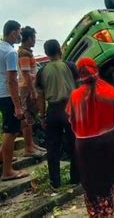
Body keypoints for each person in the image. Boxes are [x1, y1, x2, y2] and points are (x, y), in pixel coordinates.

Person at [66, 58, 114, 217]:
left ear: (79, 73)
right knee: (107, 181)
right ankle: (107, 212)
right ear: (96, 69)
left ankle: (95, 213)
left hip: (84, 146)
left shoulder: (75, 96)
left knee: (90, 183)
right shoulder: (109, 90)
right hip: (108, 144)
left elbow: (71, 122)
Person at [35, 40, 79, 189]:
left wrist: (42, 116)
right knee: (74, 145)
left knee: (53, 148)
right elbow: (80, 89)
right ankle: (76, 179)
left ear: (46, 53)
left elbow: (40, 97)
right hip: (71, 109)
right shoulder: (70, 66)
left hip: (53, 110)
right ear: (60, 50)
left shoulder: (42, 71)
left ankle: (55, 182)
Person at [0, 20, 29, 181]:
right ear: (13, 33)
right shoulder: (10, 52)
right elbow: (12, 81)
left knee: (9, 128)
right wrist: (18, 106)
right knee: (11, 131)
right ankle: (7, 171)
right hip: (7, 94)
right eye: (19, 32)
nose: (20, 35)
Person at [17, 26, 45, 158]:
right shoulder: (24, 53)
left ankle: (31, 143)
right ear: (28, 38)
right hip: (26, 87)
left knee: (31, 117)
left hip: (28, 87)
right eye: (33, 38)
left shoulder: (27, 52)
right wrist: (33, 91)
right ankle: (28, 147)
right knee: (27, 116)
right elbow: (26, 74)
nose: (34, 40)